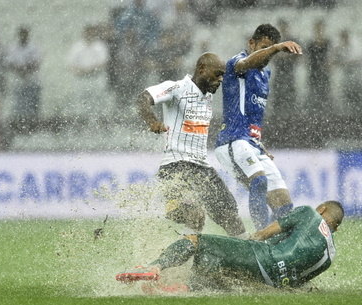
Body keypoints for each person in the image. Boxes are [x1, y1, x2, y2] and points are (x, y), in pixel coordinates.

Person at [116, 200, 345, 292]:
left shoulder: (309, 213)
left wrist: (246, 242)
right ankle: (179, 288)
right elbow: (296, 279)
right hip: (271, 281)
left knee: (195, 241)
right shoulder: (330, 254)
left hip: (263, 258)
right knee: (217, 268)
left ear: (323, 209)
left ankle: (153, 267)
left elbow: (266, 233)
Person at [136, 52, 246, 237]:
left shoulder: (208, 96)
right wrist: (152, 121)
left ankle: (251, 260)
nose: (220, 80)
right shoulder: (176, 88)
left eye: (222, 76)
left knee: (231, 217)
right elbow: (142, 99)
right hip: (175, 166)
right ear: (202, 69)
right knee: (195, 216)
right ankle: (168, 263)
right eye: (217, 74)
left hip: (202, 168)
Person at [214, 24, 302, 230]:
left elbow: (252, 114)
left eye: (269, 50)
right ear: (251, 43)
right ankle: (260, 239)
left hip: (251, 143)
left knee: (283, 204)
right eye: (263, 47)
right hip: (232, 141)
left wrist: (258, 143)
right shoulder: (237, 63)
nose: (267, 54)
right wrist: (276, 48)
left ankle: (275, 243)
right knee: (260, 182)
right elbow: (251, 62)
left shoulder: (265, 75)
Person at [6, 26, 42, 131]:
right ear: (18, 35)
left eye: (25, 33)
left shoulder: (34, 47)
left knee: (32, 105)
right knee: (19, 105)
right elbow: (10, 64)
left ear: (28, 34)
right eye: (21, 33)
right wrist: (21, 70)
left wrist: (25, 70)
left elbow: (36, 63)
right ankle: (19, 129)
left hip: (31, 79)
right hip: (18, 79)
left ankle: (32, 129)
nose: (23, 36)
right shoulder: (13, 48)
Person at [331, 29, 362, 114]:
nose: (344, 39)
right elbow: (334, 61)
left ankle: (359, 113)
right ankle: (348, 114)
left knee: (358, 97)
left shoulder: (356, 47)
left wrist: (349, 62)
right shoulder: (339, 48)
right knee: (347, 98)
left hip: (357, 77)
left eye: (345, 37)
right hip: (346, 78)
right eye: (342, 37)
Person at [306, 19, 332, 115]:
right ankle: (314, 115)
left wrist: (328, 64)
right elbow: (307, 59)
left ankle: (325, 115)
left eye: (321, 28)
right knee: (313, 96)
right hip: (314, 72)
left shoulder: (328, 43)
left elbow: (330, 57)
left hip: (324, 73)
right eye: (317, 28)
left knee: (325, 96)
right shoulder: (310, 44)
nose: (319, 30)